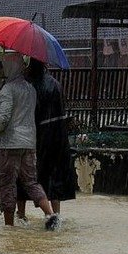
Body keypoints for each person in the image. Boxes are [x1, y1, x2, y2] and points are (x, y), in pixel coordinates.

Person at [0, 51, 59, 230]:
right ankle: (50, 214)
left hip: (9, 144)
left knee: (7, 184)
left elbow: (3, 118)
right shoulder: (30, 89)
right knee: (31, 182)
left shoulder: (7, 89)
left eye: (2, 66)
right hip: (29, 143)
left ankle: (9, 227)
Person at [33, 58, 78, 208]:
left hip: (41, 136)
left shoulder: (32, 85)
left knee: (33, 177)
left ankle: (22, 215)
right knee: (55, 176)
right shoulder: (56, 84)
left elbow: (33, 113)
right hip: (59, 137)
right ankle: (56, 214)